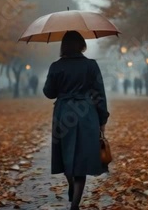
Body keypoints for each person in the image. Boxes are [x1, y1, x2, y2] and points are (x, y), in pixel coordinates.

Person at [43, 31, 110, 210]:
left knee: (65, 155)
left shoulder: (56, 66)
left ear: (63, 46)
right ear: (82, 45)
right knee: (82, 159)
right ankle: (75, 203)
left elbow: (49, 93)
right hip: (86, 114)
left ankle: (72, 186)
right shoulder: (91, 65)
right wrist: (102, 118)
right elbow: (99, 93)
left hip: (63, 113)